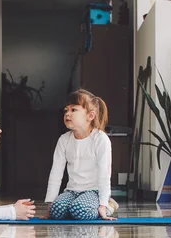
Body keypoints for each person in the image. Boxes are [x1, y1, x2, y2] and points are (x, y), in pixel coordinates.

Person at [43, 89, 118, 220]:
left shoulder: (100, 139)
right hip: (72, 191)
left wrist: (102, 204)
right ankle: (73, 206)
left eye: (74, 110)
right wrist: (50, 203)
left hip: (93, 191)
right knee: (56, 210)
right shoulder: (64, 140)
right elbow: (56, 172)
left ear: (90, 116)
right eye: (66, 110)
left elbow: (104, 174)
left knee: (80, 211)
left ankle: (110, 205)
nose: (68, 114)